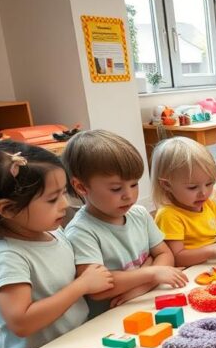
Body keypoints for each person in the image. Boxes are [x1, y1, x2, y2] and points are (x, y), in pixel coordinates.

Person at [0, 141, 112, 348]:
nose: (65, 204)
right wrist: (82, 285)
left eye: (63, 192)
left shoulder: (52, 232)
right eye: (52, 199)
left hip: (72, 347)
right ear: (8, 209)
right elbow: (22, 322)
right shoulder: (7, 257)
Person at [63, 131, 186, 318]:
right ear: (81, 187)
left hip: (146, 302)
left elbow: (165, 254)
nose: (129, 195)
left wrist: (141, 285)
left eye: (134, 184)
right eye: (116, 188)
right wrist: (152, 272)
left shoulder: (139, 213)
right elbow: (97, 288)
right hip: (111, 320)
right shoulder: (81, 231)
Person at [151, 137, 216, 267]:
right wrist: (212, 250)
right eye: (192, 187)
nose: (203, 193)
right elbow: (177, 257)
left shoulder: (208, 203)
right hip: (191, 271)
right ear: (166, 185)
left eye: (209, 184)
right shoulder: (168, 215)